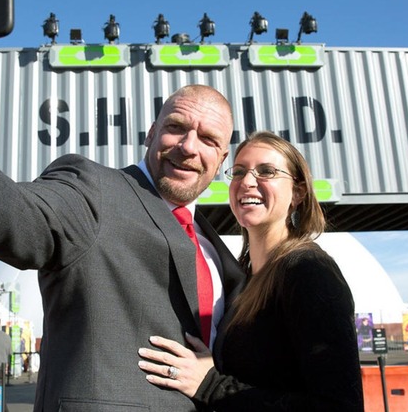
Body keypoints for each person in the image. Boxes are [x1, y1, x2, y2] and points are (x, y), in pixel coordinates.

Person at [0, 0, 244, 411]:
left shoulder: (216, 250)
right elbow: (13, 217)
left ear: (221, 159)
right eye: (177, 127)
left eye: (208, 139)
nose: (188, 146)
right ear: (151, 134)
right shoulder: (93, 191)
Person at [137, 132, 363, 410]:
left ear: (298, 192)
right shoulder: (243, 276)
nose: (246, 182)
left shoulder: (308, 272)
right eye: (239, 171)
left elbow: (339, 406)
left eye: (267, 171)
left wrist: (210, 385)